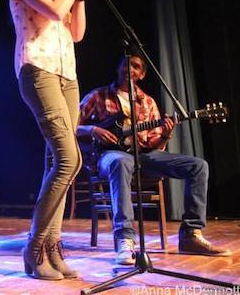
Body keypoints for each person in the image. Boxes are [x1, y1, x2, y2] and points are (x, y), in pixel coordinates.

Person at [77, 53, 232, 265]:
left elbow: (155, 146)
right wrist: (93, 130)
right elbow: (70, 125)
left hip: (144, 156)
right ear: (118, 67)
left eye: (135, 66)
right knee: (120, 162)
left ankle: (191, 235)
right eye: (126, 64)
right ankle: (125, 239)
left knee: (198, 166)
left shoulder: (148, 102)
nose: (130, 69)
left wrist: (166, 135)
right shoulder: (98, 96)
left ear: (142, 74)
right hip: (109, 155)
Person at [9, 0, 91, 280]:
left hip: (67, 76)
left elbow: (77, 33)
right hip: (37, 69)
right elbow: (55, 12)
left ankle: (53, 247)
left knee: (57, 162)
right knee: (70, 159)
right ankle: (34, 246)